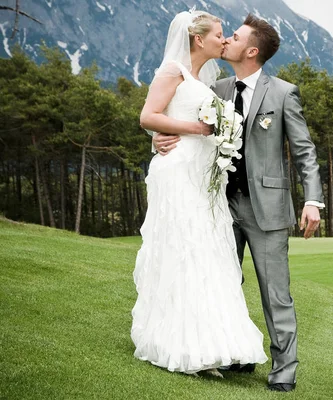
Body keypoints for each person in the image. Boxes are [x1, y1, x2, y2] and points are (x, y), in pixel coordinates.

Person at [154, 15, 324, 392]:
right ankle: (238, 354)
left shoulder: (282, 93)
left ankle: (283, 370)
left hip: (267, 210)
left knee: (275, 294)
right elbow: (188, 124)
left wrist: (313, 200)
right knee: (223, 282)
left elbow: (304, 151)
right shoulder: (215, 88)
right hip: (216, 205)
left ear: (251, 51)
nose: (226, 40)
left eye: (235, 37)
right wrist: (159, 138)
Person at [131, 9, 267, 378]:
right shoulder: (172, 70)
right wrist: (198, 129)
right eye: (219, 34)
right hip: (178, 174)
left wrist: (220, 135)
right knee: (183, 250)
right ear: (198, 38)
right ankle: (182, 344)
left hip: (204, 178)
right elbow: (148, 116)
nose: (224, 40)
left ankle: (212, 342)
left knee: (208, 255)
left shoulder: (206, 78)